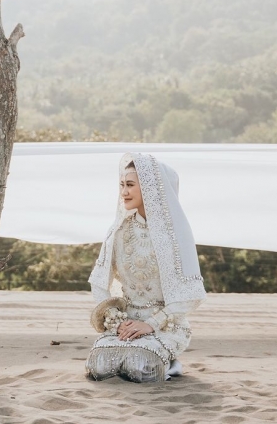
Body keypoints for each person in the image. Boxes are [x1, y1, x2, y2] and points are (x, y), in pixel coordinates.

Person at [86, 152, 206, 383]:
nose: (124, 192)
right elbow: (99, 282)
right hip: (125, 324)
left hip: (165, 325)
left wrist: (150, 324)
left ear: (152, 189)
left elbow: (189, 295)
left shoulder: (175, 234)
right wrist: (116, 319)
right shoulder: (118, 230)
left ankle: (169, 363)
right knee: (99, 365)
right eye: (121, 185)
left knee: (140, 367)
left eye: (130, 185)